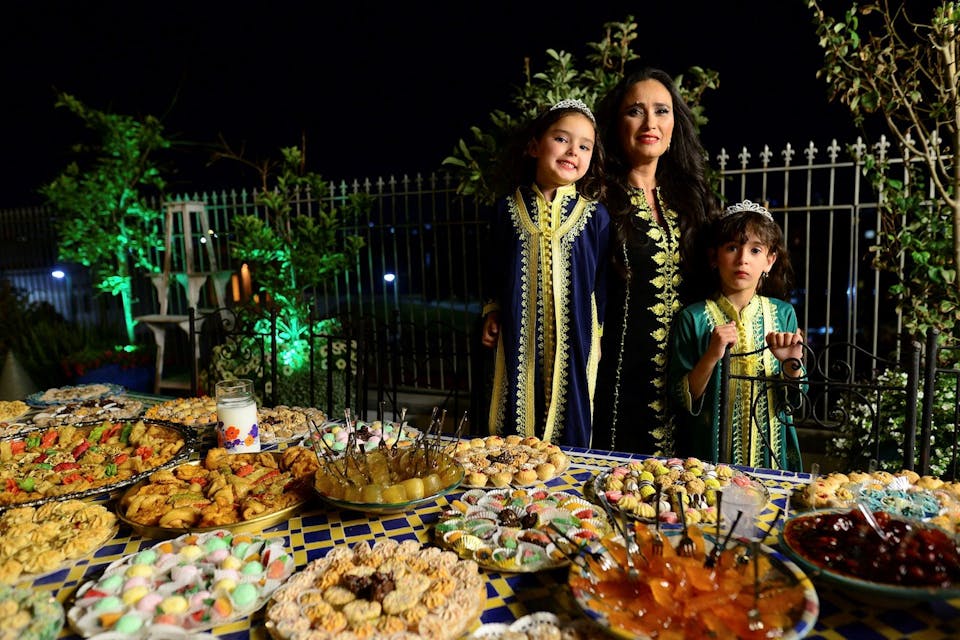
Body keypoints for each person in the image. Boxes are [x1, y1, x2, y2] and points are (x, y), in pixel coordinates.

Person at [591, 66, 717, 455]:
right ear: (617, 124)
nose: (650, 123)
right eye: (635, 111)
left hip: (685, 383)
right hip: (618, 384)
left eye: (662, 110)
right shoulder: (596, 198)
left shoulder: (692, 199)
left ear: (675, 124)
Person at [480, 98, 611, 448]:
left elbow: (600, 282)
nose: (573, 151)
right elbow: (493, 266)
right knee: (514, 407)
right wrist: (492, 309)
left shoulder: (595, 217)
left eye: (584, 146)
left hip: (575, 337)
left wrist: (597, 335)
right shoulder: (507, 209)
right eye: (562, 139)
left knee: (571, 412)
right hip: (518, 332)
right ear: (535, 146)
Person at [667, 200, 804, 470]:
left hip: (771, 455)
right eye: (732, 248)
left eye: (755, 250)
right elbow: (682, 397)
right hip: (710, 457)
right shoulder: (692, 318)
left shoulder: (783, 314)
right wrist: (711, 355)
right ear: (714, 257)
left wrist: (791, 363)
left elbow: (794, 400)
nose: (742, 259)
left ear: (770, 260)